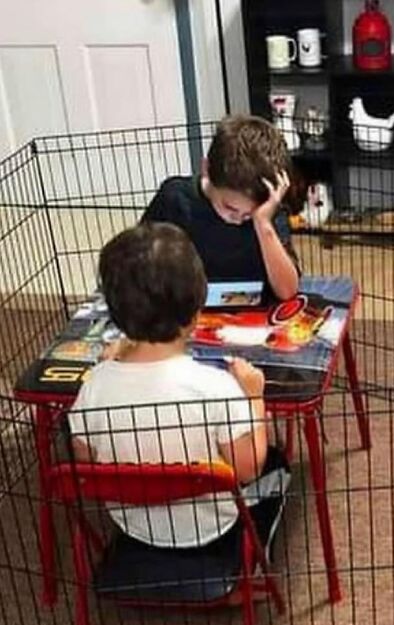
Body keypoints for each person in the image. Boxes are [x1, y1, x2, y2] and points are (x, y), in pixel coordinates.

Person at [68, 222, 289, 550]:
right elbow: (248, 469)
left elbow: (85, 461)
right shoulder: (216, 387)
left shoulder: (94, 386)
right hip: (214, 529)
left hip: (133, 526)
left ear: (115, 311)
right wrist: (254, 397)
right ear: (196, 311)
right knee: (278, 466)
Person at [142, 114, 300, 305]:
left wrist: (263, 223)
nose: (238, 219)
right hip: (187, 309)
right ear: (206, 169)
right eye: (229, 207)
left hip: (253, 313)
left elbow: (287, 291)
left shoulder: (269, 209)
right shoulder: (175, 199)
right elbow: (138, 266)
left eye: (249, 214)